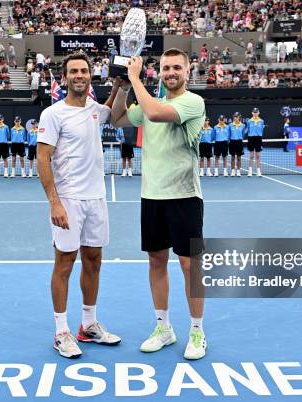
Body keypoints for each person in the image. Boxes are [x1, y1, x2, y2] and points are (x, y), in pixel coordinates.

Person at [110, 48, 207, 360]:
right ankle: (163, 327)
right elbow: (120, 118)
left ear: (187, 72)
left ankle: (196, 330)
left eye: (177, 67)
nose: (171, 73)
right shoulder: (151, 100)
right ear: (160, 72)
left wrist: (136, 79)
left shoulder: (192, 102)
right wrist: (123, 87)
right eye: (166, 68)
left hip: (185, 196)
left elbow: (152, 113)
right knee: (156, 261)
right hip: (152, 196)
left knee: (190, 265)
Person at [37, 52, 122, 359]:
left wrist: (119, 85)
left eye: (83, 71)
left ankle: (88, 325)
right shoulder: (53, 114)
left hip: (96, 198)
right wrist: (54, 202)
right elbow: (42, 159)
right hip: (68, 201)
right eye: (73, 71)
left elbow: (111, 110)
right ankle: (61, 331)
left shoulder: (95, 110)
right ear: (65, 77)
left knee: (94, 259)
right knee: (64, 263)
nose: (79, 75)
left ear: (89, 76)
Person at [246, 107, 264, 177]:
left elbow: (261, 130)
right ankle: (250, 171)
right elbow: (248, 130)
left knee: (258, 156)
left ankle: (258, 171)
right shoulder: (249, 121)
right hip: (251, 138)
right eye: (254, 112)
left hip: (258, 138)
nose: (255, 113)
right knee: (251, 156)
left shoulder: (262, 121)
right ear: (252, 113)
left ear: (258, 113)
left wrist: (259, 135)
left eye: (256, 112)